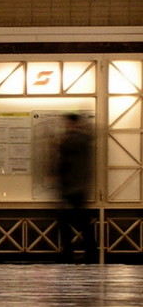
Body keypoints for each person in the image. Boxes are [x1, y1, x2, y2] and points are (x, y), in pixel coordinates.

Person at [54, 113, 98, 263]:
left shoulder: (75, 140)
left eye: (68, 123)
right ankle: (87, 252)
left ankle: (71, 253)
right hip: (74, 188)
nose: (66, 126)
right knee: (78, 221)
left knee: (70, 221)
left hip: (73, 188)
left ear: (73, 123)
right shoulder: (81, 139)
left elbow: (66, 161)